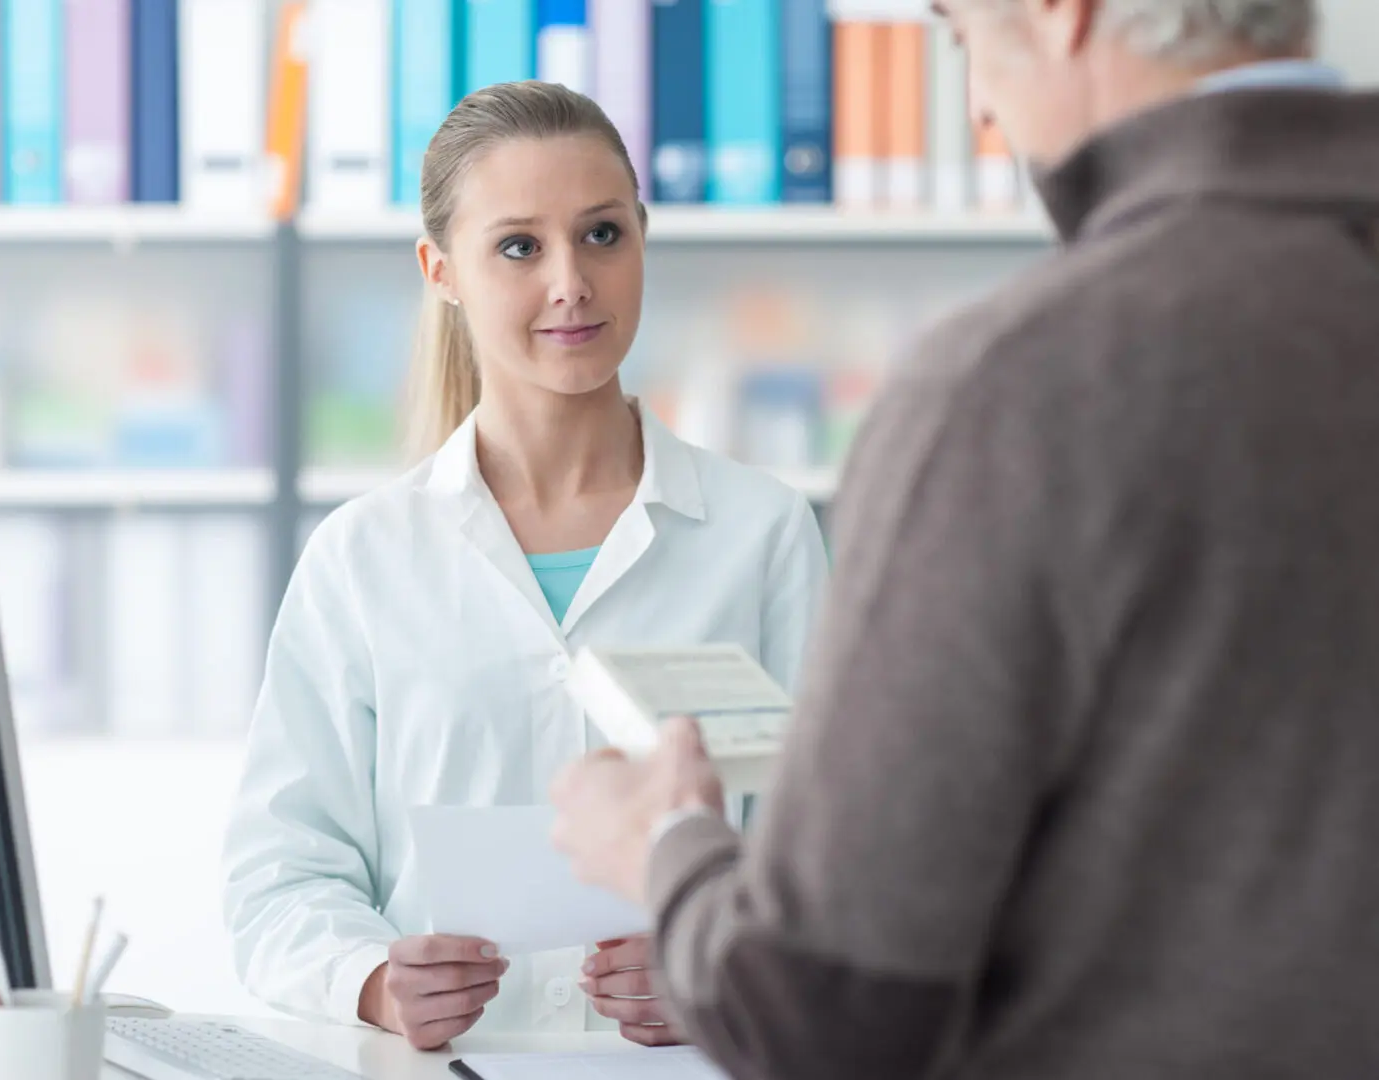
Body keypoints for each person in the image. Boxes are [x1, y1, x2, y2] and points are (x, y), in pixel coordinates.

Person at [551, 1, 1379, 1077]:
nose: (981, 110)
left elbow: (822, 1007)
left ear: (1057, 13)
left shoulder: (1026, 385)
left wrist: (663, 847)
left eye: (959, 37)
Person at [220, 80, 830, 1052]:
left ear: (642, 237)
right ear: (441, 269)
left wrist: (730, 964)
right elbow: (279, 871)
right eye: (518, 246)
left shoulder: (762, 535)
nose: (570, 283)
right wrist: (370, 980)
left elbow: (834, 858)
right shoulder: (365, 555)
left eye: (601, 235)